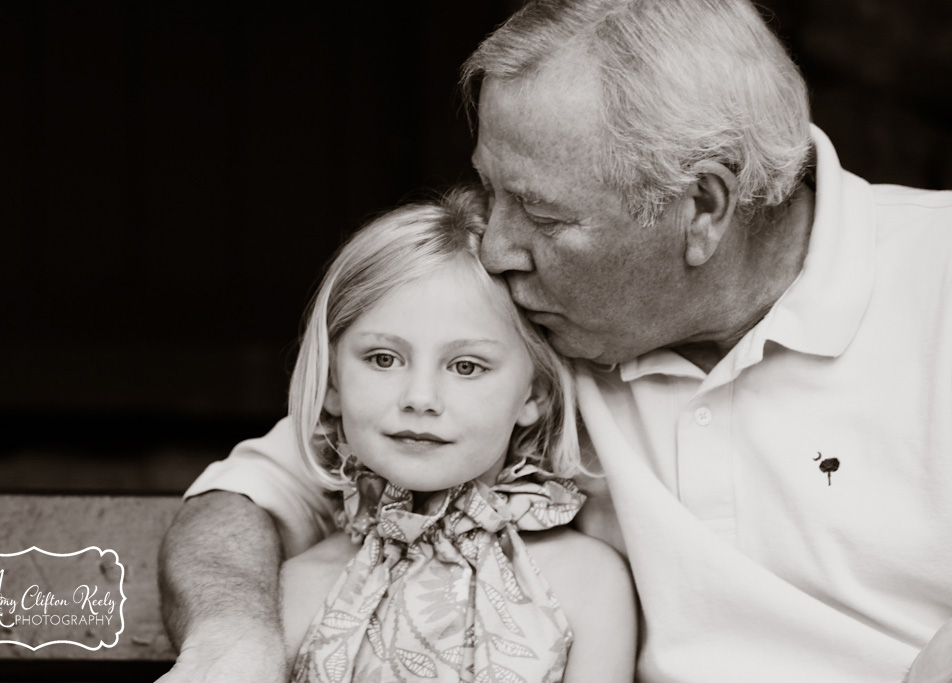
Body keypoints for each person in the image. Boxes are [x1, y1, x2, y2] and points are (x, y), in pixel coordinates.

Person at [158, 1, 952, 681]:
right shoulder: (523, 333)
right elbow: (251, 496)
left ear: (704, 206)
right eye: (490, 191)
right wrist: (234, 634)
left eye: (542, 215)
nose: (497, 248)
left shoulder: (935, 284)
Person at [275, 186, 635, 681]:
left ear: (535, 395)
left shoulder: (586, 584)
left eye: (466, 366)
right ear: (333, 381)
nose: (420, 397)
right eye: (384, 358)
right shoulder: (295, 589)